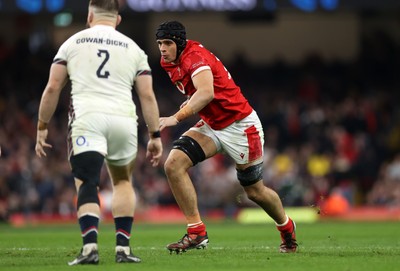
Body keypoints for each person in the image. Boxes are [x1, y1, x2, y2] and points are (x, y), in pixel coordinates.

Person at [35, 0, 163, 265]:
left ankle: (90, 248)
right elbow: (147, 96)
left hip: (88, 118)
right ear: (118, 20)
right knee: (123, 183)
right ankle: (123, 250)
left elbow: (52, 88)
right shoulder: (134, 48)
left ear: (90, 15)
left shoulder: (72, 43)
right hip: (123, 121)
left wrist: (42, 127)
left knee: (87, 182)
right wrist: (155, 136)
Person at [156, 21, 298, 254]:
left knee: (255, 192)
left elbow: (206, 92)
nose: (163, 48)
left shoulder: (195, 57)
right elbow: (201, 92)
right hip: (213, 125)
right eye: (160, 43)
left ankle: (286, 227)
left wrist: (177, 117)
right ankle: (196, 231)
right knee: (173, 164)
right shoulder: (168, 61)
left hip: (241, 127)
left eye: (168, 43)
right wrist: (192, 101)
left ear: (179, 43)